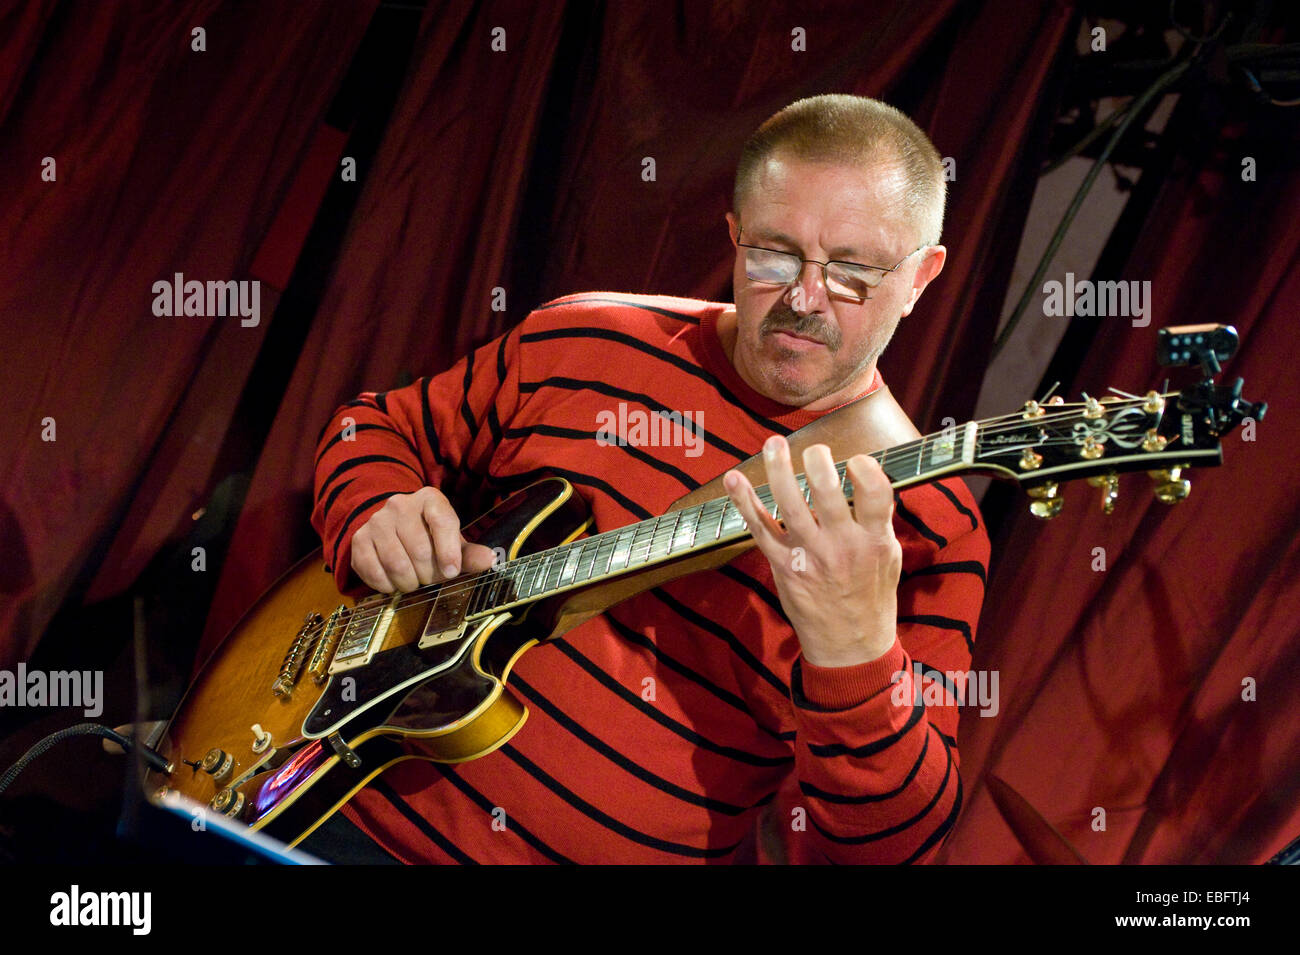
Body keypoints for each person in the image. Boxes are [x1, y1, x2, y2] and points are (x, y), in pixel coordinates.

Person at [304, 93, 989, 864]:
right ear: (733, 234)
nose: (803, 298)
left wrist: (856, 651)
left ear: (923, 275)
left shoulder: (928, 520)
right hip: (340, 819)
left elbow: (888, 851)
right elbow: (373, 427)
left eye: (854, 272)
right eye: (772, 254)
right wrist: (377, 505)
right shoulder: (587, 334)